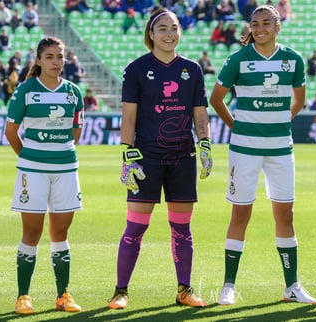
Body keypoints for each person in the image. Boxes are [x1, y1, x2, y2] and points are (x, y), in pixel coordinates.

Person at [209, 5, 316, 306]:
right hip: (244, 149)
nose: (260, 28)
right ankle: (228, 285)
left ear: (277, 26)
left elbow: (299, 100)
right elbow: (216, 100)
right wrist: (239, 127)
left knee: (286, 214)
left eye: (266, 23)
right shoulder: (238, 59)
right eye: (255, 23)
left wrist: (281, 123)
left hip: (281, 148)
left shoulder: (293, 59)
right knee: (240, 214)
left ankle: (292, 286)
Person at [108, 8, 213, 310]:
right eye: (163, 29)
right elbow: (129, 115)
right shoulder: (137, 68)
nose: (169, 34)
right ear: (151, 34)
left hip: (183, 156)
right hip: (147, 157)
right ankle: (120, 291)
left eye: (174, 28)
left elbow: (199, 112)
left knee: (182, 228)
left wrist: (204, 142)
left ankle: (184, 289)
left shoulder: (192, 69)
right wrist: (127, 154)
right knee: (135, 228)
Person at [5, 36, 84, 315]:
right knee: (32, 233)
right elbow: (11, 132)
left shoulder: (74, 91)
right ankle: (23, 296)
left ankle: (62, 295)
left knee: (60, 233)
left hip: (65, 169)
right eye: (49, 57)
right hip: (33, 171)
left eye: (59, 57)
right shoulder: (25, 90)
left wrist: (57, 150)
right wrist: (29, 158)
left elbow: (76, 132)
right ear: (38, 60)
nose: (55, 62)